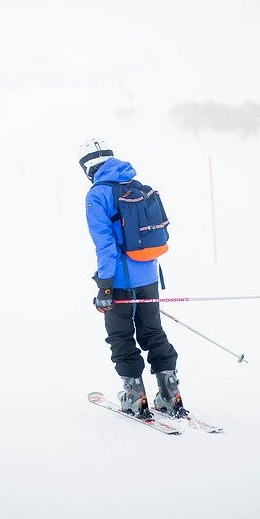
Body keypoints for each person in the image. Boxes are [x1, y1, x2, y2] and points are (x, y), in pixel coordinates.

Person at [78, 137, 187, 419]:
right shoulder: (136, 186)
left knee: (121, 336)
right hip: (149, 274)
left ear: (87, 167)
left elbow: (105, 245)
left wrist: (105, 286)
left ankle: (134, 396)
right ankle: (169, 394)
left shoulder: (97, 195)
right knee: (153, 332)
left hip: (119, 281)